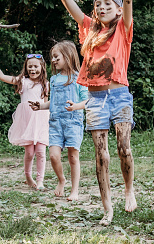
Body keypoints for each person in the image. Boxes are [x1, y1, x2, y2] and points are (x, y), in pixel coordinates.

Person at [60, 0, 137, 225]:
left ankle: (129, 190)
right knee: (100, 155)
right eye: (99, 4)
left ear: (117, 10)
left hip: (118, 95)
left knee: (123, 149)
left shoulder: (122, 31)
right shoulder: (88, 31)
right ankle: (108, 208)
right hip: (95, 98)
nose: (103, 7)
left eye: (108, 4)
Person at [30, 40, 88, 201]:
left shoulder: (79, 78)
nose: (53, 60)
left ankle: (74, 190)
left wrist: (76, 106)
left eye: (56, 57)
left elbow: (87, 101)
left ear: (68, 56)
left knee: (72, 156)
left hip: (73, 122)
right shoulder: (54, 80)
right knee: (54, 156)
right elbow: (53, 102)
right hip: (55, 123)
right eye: (52, 57)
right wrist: (41, 106)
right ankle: (62, 180)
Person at [0, 53, 50, 190]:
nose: (33, 69)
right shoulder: (23, 81)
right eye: (30, 66)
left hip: (40, 121)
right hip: (26, 121)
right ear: (26, 68)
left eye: (36, 66)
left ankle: (40, 181)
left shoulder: (45, 84)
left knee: (41, 152)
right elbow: (3, 77)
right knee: (29, 153)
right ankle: (28, 176)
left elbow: (46, 104)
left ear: (42, 67)